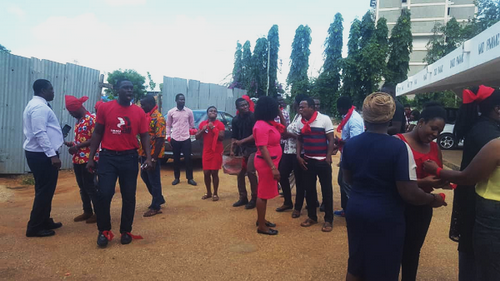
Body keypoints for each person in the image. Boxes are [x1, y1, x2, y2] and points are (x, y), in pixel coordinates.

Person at [341, 92, 447, 281]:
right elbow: (409, 192)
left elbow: (348, 178)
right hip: (386, 214)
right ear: (390, 116)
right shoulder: (398, 146)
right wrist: (433, 199)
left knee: (356, 262)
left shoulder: (351, 144)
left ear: (365, 115)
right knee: (385, 267)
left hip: (356, 208)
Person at [87, 79, 152, 248]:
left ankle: (126, 231)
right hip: (108, 158)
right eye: (125, 88)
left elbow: (145, 135)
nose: (129, 91)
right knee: (104, 194)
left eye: (131, 88)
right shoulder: (105, 108)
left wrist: (149, 157)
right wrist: (90, 158)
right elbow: (97, 133)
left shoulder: (139, 112)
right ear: (117, 90)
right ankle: (104, 231)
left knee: (129, 196)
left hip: (130, 158)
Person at [424, 138, 500, 281]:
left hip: (493, 216)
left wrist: (437, 170)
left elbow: (468, 177)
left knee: (490, 268)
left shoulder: (496, 146)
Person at [448, 85, 500, 280]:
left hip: (475, 196)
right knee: (481, 260)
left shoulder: (484, 127)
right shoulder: (488, 133)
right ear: (497, 109)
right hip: (480, 200)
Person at [395, 102, 449, 281]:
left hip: (421, 206)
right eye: (433, 128)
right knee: (393, 250)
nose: (435, 135)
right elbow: (389, 180)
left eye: (439, 132)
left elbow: (439, 175)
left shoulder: (434, 148)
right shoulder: (398, 142)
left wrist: (442, 180)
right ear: (421, 122)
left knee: (413, 251)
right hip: (397, 205)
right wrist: (422, 181)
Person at [23, 79, 64, 237]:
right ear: (42, 91)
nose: (53, 92)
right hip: (42, 155)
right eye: (51, 89)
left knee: (45, 189)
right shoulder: (39, 107)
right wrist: (52, 155)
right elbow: (40, 133)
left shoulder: (37, 105)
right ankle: (34, 227)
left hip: (40, 153)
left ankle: (44, 220)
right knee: (44, 191)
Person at [295, 98, 337, 232]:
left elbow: (331, 139)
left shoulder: (324, 119)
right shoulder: (300, 123)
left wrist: (328, 156)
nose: (300, 110)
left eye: (303, 107)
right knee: (310, 190)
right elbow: (299, 140)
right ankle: (312, 216)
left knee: (326, 191)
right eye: (300, 107)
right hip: (307, 161)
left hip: (322, 161)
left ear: (312, 108)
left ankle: (328, 220)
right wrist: (298, 156)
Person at [64, 95, 98, 224]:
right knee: (82, 187)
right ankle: (87, 211)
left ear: (77, 108)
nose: (71, 114)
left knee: (91, 186)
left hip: (89, 158)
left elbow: (95, 139)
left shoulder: (92, 119)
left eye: (71, 112)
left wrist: (77, 146)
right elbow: (82, 139)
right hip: (77, 159)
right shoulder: (79, 120)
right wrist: (72, 144)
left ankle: (98, 213)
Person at [253, 96, 284, 235]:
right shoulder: (261, 125)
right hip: (267, 164)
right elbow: (263, 147)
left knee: (263, 192)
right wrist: (273, 168)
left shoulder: (268, 124)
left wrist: (280, 113)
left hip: (270, 162)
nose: (277, 109)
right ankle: (261, 227)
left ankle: (261, 220)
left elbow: (284, 130)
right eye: (275, 107)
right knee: (262, 194)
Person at [277, 94, 308, 216]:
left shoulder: (305, 119)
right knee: (282, 175)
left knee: (300, 181)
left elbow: (304, 138)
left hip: (299, 152)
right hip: (288, 150)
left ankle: (298, 207)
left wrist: (290, 135)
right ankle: (288, 201)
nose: (295, 105)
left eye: (296, 103)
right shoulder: (296, 117)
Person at [334, 96, 364, 218]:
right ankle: (346, 209)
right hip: (347, 155)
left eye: (338, 109)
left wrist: (340, 141)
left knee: (347, 183)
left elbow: (356, 141)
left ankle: (355, 211)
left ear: (342, 108)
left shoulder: (354, 119)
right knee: (342, 181)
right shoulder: (348, 116)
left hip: (353, 157)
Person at [139, 94, 166, 217]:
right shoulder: (146, 116)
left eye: (143, 104)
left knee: (154, 180)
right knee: (144, 176)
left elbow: (160, 140)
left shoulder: (158, 118)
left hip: (153, 155)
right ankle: (158, 198)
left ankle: (156, 206)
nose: (141, 106)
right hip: (144, 153)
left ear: (150, 104)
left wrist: (154, 159)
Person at [231, 98, 258, 209]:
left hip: (254, 148)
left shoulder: (254, 117)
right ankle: (243, 197)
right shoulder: (235, 120)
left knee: (251, 171)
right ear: (237, 108)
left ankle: (255, 198)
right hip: (242, 150)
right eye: (242, 105)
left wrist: (241, 142)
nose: (245, 107)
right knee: (240, 173)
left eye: (246, 104)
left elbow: (255, 134)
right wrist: (232, 149)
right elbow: (234, 136)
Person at [166, 93, 197, 186]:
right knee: (176, 159)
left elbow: (192, 125)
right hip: (175, 138)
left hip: (186, 138)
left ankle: (190, 178)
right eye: (180, 99)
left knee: (188, 159)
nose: (182, 101)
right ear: (176, 101)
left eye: (183, 99)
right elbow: (168, 125)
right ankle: (176, 178)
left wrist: (192, 132)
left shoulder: (189, 112)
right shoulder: (171, 112)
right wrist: (168, 136)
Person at [195, 106, 225, 201]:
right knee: (206, 172)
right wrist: (203, 130)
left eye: (215, 111)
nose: (213, 112)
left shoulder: (220, 124)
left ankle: (215, 193)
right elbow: (196, 137)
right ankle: (208, 192)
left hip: (216, 151)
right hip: (206, 151)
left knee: (214, 173)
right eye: (211, 111)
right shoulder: (203, 124)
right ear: (207, 113)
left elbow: (221, 137)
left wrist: (213, 129)